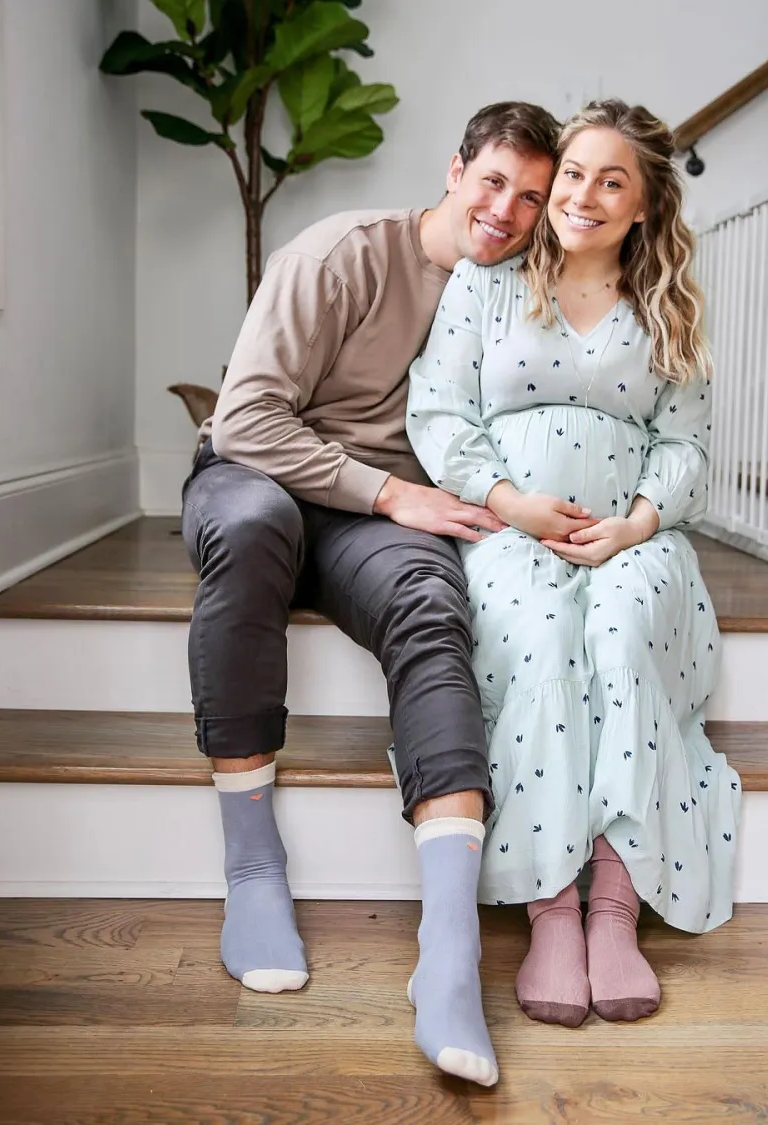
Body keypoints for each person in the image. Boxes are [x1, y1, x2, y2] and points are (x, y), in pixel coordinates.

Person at [181, 101, 566, 1087]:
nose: (506, 209)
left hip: (378, 523)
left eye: (529, 196)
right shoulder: (343, 255)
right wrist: (392, 490)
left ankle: (448, 955)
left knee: (432, 608)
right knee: (259, 523)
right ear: (454, 169)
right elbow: (244, 423)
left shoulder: (522, 293)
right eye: (493, 181)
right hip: (260, 477)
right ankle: (254, 866)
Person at [407, 99, 741, 1031]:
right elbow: (438, 410)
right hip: (508, 530)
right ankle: (552, 903)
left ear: (642, 206)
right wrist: (511, 502)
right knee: (548, 633)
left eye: (612, 180)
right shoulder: (489, 285)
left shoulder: (667, 306)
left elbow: (687, 449)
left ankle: (615, 905)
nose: (582, 196)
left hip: (637, 538)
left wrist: (635, 525)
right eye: (576, 175)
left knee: (618, 626)